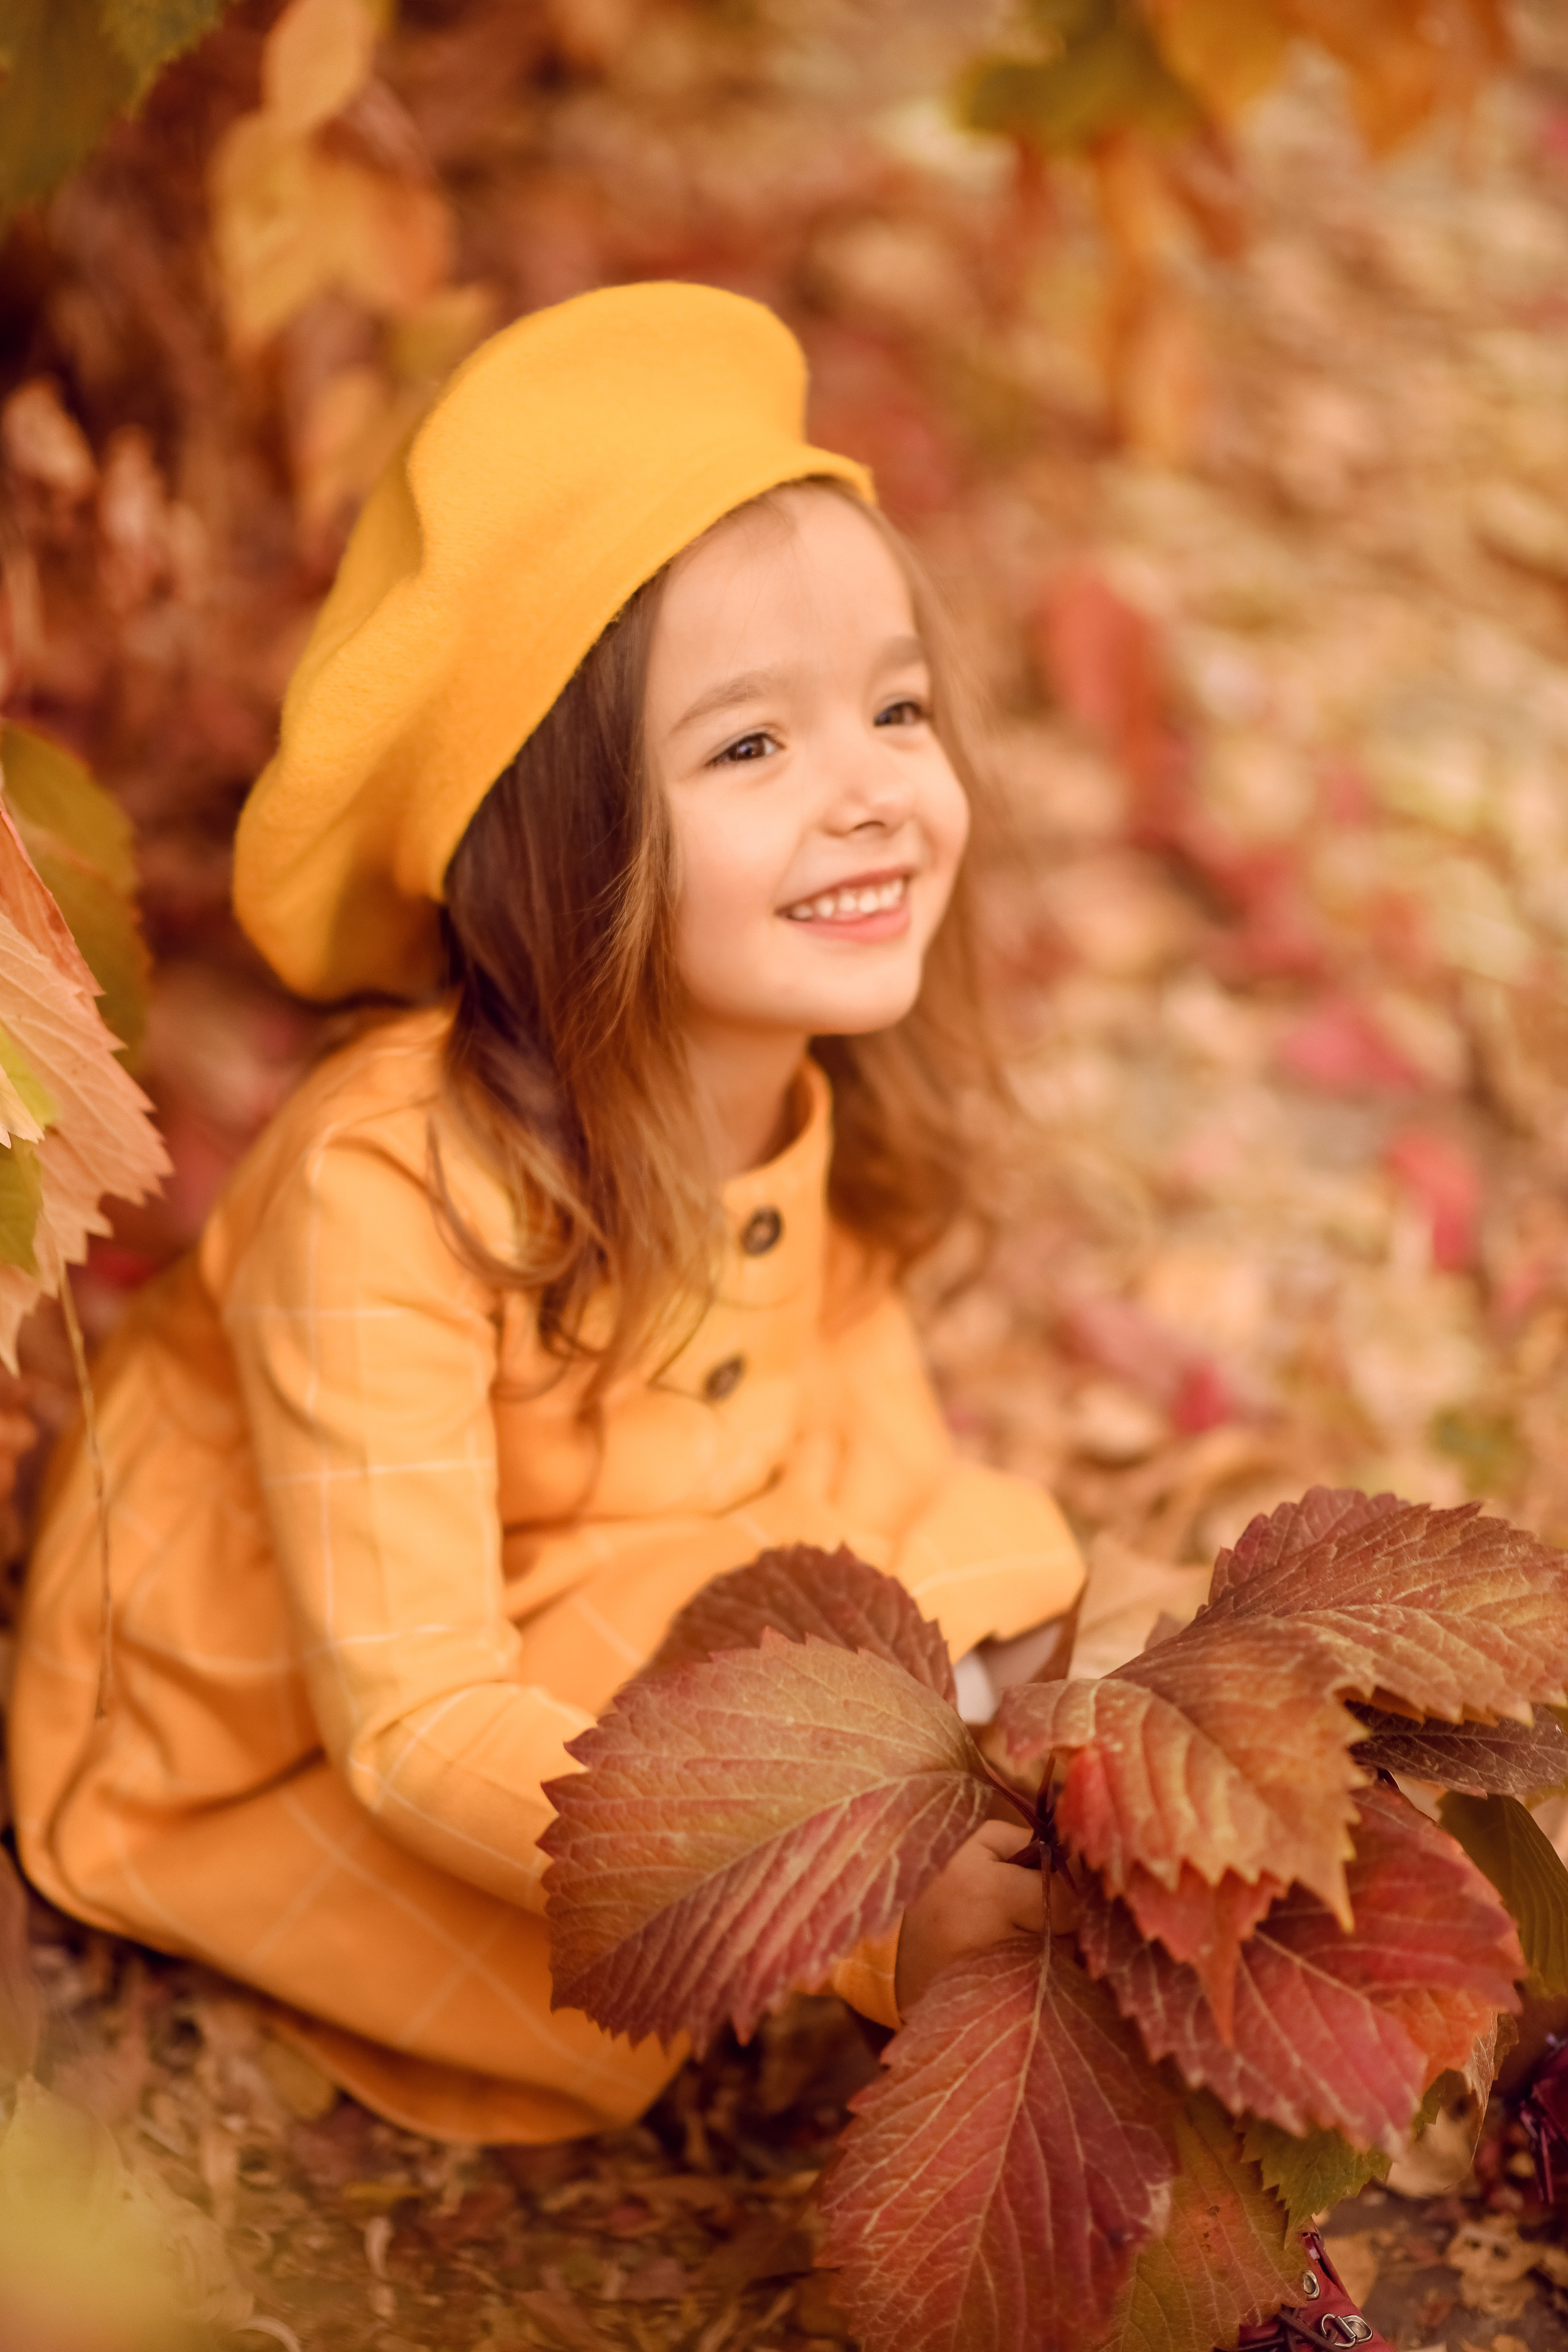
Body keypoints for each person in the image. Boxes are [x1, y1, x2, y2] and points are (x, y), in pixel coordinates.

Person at [9, 284, 1084, 2144]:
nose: (868, 792)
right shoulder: (386, 1184)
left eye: (897, 708)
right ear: (553, 848)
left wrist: (977, 1735)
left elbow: (871, 1440)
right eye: (749, 748)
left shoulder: (796, 1074)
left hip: (625, 1560)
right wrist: (852, 1897)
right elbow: (418, 1720)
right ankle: (820, 1893)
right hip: (305, 1725)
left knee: (997, 1584)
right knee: (764, 1765)